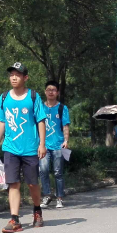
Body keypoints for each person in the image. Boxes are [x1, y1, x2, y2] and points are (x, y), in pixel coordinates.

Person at [0, 62, 47, 233]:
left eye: (17, 75)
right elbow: (1, 122)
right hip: (10, 148)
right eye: (11, 74)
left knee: (32, 183)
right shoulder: (4, 97)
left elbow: (41, 121)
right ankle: (15, 219)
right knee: (13, 183)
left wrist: (42, 144)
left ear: (25, 78)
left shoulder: (33, 97)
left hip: (30, 148)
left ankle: (37, 210)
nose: (13, 78)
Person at [39, 81, 70, 209]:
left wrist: (66, 140)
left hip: (58, 145)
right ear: (45, 92)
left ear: (57, 92)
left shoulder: (62, 108)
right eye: (48, 89)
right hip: (43, 145)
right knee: (43, 170)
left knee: (58, 172)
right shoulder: (40, 107)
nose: (51, 92)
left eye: (53, 90)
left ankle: (59, 197)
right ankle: (47, 195)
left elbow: (65, 125)